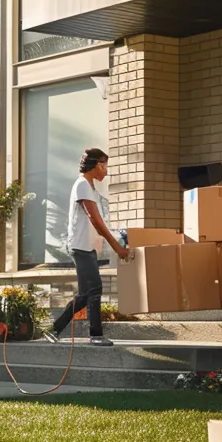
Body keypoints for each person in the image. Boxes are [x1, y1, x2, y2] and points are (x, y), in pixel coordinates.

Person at [44, 148, 129, 347]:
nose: (106, 171)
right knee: (95, 289)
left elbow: (102, 220)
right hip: (80, 246)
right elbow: (96, 221)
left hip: (87, 247)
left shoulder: (90, 188)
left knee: (84, 294)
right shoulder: (82, 185)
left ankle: (54, 329)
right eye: (105, 165)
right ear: (96, 164)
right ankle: (96, 335)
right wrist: (117, 248)